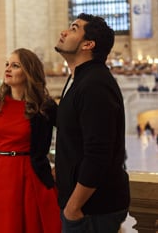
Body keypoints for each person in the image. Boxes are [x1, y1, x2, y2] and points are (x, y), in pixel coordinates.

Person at [0, 48, 60, 232]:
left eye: (15, 65)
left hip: (33, 176)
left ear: (29, 72)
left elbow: (70, 135)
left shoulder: (44, 106)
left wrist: (59, 167)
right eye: (7, 64)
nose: (8, 69)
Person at [55, 13, 130, 232]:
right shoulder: (79, 79)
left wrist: (73, 207)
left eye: (74, 28)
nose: (64, 32)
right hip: (85, 207)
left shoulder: (94, 85)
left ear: (88, 44)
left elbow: (98, 153)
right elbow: (72, 129)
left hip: (92, 210)